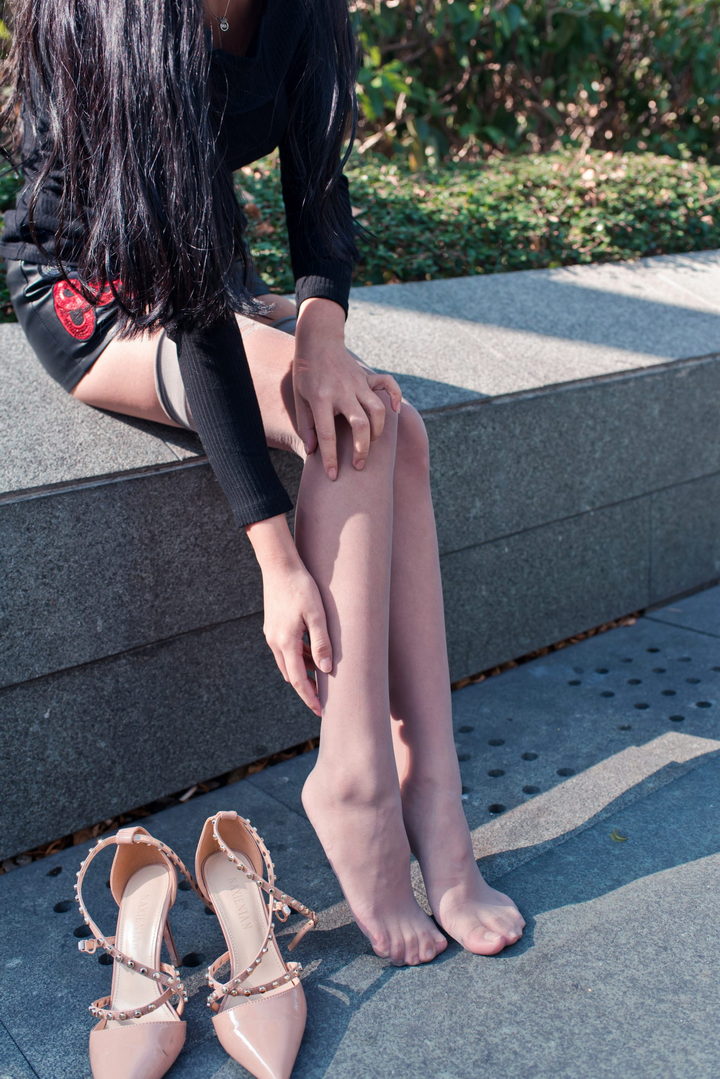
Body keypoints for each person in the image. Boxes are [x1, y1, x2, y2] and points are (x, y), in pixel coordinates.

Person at [0, 0, 525, 969]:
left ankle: (431, 788)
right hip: (92, 291)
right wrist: (277, 558)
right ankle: (357, 779)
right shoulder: (121, 18)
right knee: (354, 426)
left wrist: (322, 336)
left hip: (206, 274)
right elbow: (193, 311)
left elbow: (317, 186)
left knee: (390, 421)